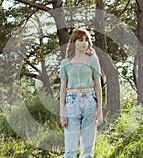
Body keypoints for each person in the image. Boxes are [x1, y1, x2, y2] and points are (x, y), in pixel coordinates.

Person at [59, 28, 103, 158]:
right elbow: (62, 89)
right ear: (74, 42)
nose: (84, 43)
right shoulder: (65, 63)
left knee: (87, 149)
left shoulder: (93, 60)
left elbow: (98, 87)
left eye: (86, 40)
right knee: (70, 148)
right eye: (80, 40)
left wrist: (99, 111)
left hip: (90, 101)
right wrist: (62, 113)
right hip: (72, 102)